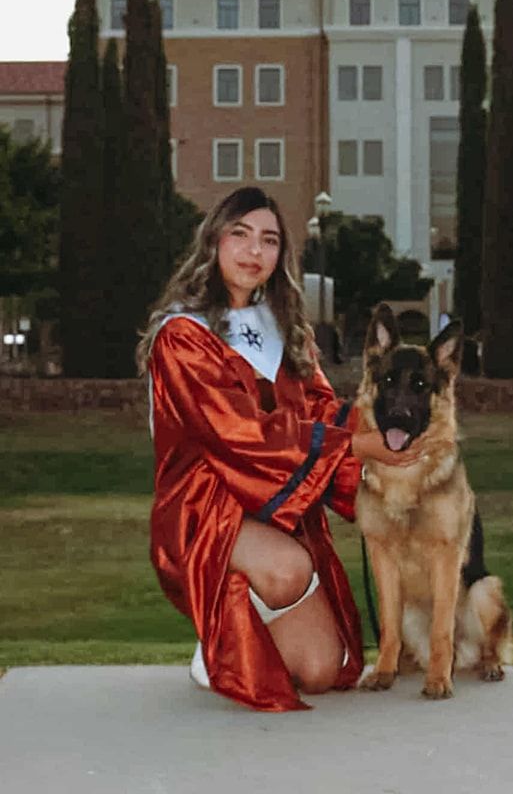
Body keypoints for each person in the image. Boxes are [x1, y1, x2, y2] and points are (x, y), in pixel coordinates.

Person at [137, 187, 420, 713]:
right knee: (289, 567)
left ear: (280, 255)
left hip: (274, 509)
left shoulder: (283, 332)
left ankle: (239, 623)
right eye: (239, 235)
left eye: (268, 240)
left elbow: (320, 409)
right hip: (203, 506)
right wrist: (353, 444)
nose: (253, 251)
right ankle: (218, 634)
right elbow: (236, 433)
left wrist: (394, 435)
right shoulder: (182, 335)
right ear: (213, 243)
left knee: (319, 671)